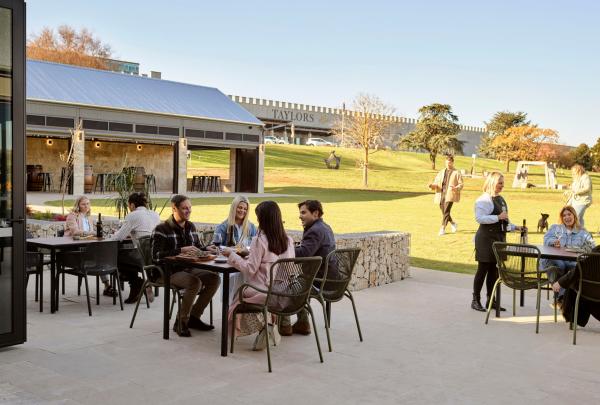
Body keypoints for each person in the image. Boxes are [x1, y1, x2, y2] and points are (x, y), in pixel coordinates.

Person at [222, 200, 294, 351]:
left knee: (237, 295)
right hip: (282, 291)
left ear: (264, 219)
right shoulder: (288, 240)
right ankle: (267, 325)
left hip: (263, 292)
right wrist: (250, 254)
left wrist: (232, 255)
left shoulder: (260, 240)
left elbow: (249, 270)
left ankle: (261, 326)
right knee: (243, 293)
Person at [152, 195, 221, 337]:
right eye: (184, 208)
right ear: (174, 209)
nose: (188, 211)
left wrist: (208, 249)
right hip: (167, 272)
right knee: (194, 282)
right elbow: (156, 256)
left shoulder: (191, 226)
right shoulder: (162, 228)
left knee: (214, 278)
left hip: (188, 268)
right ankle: (181, 322)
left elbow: (197, 247)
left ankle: (194, 318)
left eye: (189, 208)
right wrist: (180, 250)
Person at [279, 200, 336, 336]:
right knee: (298, 281)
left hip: (320, 281)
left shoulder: (315, 231)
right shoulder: (325, 227)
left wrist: (283, 248)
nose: (300, 216)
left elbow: (303, 254)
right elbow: (308, 249)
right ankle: (303, 323)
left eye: (303, 212)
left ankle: (284, 325)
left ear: (315, 213)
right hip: (333, 280)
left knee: (285, 284)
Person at [472, 172, 525, 312]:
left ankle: (492, 300)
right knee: (482, 270)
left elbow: (504, 221)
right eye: (500, 183)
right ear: (492, 182)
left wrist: (515, 227)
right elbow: (479, 218)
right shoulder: (484, 199)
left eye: (503, 183)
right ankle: (475, 300)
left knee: (495, 271)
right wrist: (497, 217)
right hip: (485, 240)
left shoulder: (501, 199)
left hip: (499, 239)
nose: (502, 185)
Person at [111, 192, 161, 303]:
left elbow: (118, 238)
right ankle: (136, 285)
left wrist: (111, 235)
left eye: (129, 206)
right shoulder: (155, 214)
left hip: (142, 257)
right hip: (155, 256)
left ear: (132, 205)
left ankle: (136, 282)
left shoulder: (133, 215)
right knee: (127, 258)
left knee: (114, 257)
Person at [65, 196, 116, 297]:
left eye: (88, 204)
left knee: (102, 255)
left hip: (88, 246)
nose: (86, 206)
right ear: (78, 205)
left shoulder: (89, 217)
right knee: (100, 255)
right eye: (83, 204)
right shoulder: (72, 216)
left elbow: (93, 234)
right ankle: (107, 285)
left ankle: (107, 285)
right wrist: (90, 233)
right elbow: (75, 232)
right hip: (75, 248)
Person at [542, 206, 595, 305]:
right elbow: (546, 240)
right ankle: (561, 298)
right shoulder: (555, 228)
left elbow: (592, 246)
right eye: (564, 215)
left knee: (575, 268)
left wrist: (583, 249)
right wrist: (553, 242)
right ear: (562, 218)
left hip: (571, 261)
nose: (567, 217)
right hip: (554, 260)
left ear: (574, 216)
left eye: (569, 214)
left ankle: (563, 299)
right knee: (560, 265)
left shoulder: (582, 232)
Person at [212, 196, 258, 304]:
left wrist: (240, 249)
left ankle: (239, 312)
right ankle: (230, 311)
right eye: (240, 207)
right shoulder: (223, 227)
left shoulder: (251, 227)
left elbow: (254, 247)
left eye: (245, 209)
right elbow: (216, 248)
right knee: (233, 289)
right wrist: (233, 249)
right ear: (234, 208)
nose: (242, 211)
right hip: (228, 264)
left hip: (246, 263)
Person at [428, 155, 463, 236]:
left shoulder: (456, 173)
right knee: (444, 212)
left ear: (452, 163)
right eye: (446, 163)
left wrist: (456, 188)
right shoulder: (441, 172)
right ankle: (453, 223)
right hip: (441, 194)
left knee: (446, 211)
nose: (448, 164)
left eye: (449, 163)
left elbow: (461, 184)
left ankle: (442, 228)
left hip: (450, 195)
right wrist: (431, 186)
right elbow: (436, 183)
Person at [565, 164, 592, 228]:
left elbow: (587, 188)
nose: (573, 173)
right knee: (579, 217)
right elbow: (573, 189)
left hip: (583, 201)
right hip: (575, 201)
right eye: (572, 172)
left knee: (576, 216)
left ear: (579, 170)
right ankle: (581, 231)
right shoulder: (576, 178)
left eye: (574, 171)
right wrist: (568, 191)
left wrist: (575, 192)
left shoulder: (585, 177)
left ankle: (575, 231)